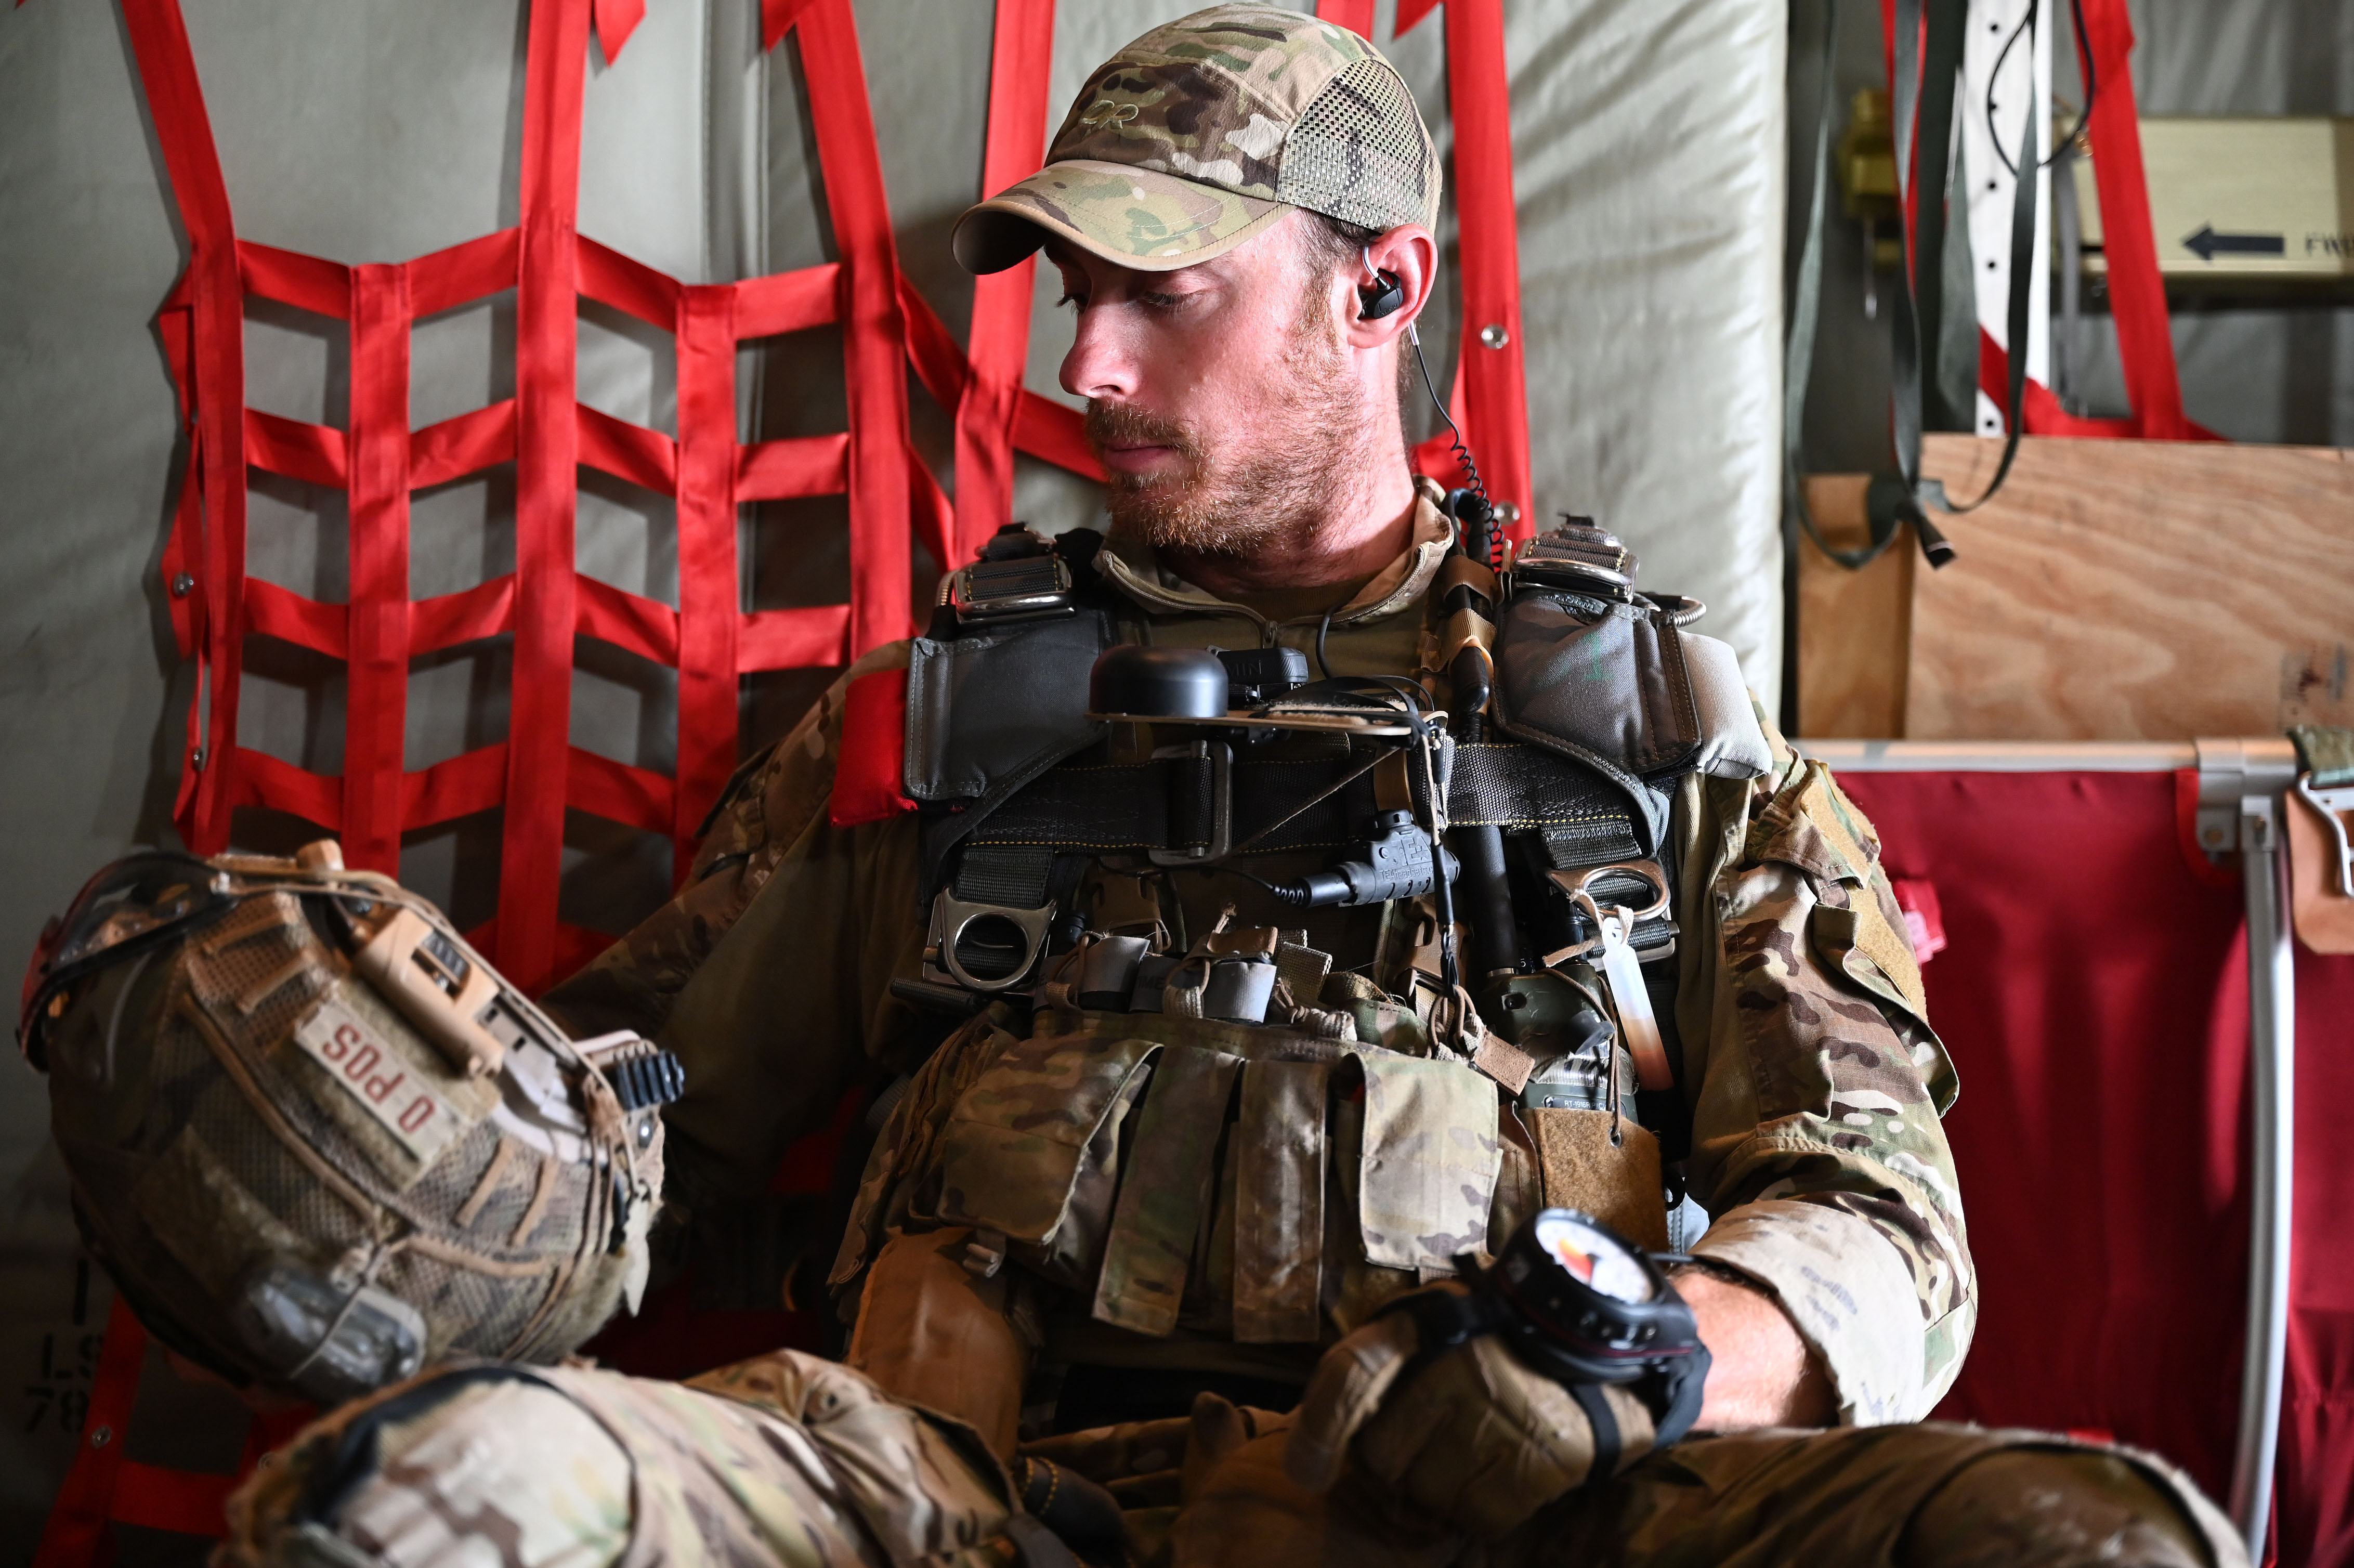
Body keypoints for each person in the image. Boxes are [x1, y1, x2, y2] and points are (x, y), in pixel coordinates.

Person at [220, 8, 2242, 1566]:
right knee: (427, 1505)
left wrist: (1637, 1367)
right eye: (1072, 295)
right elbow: (626, 1139)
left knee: (2083, 1542)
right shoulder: (950, 723)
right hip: (959, 1505)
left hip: (1534, 1520)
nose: (1084, 366)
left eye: (1162, 292)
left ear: (1382, 286)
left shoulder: (1648, 741)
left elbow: (1886, 1225)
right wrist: (365, 1113)